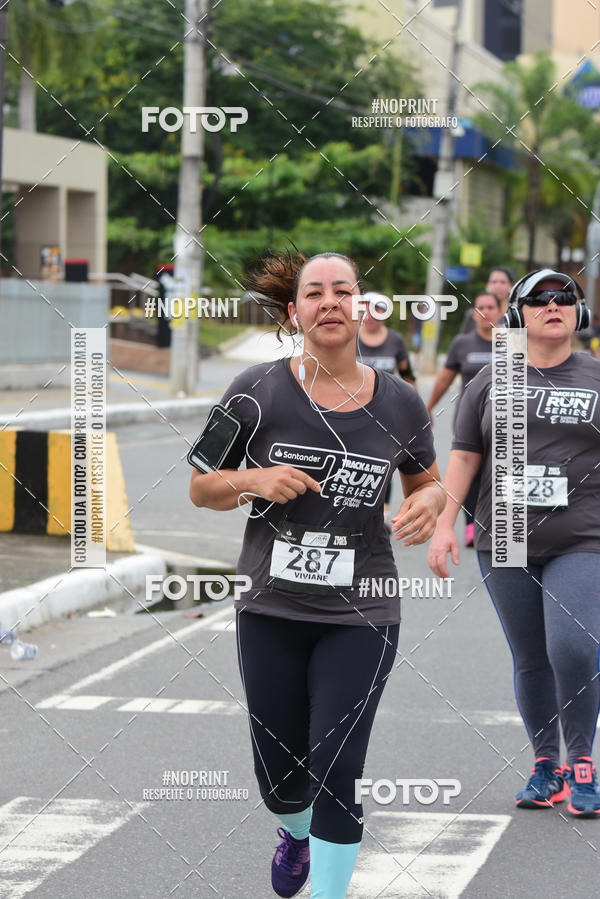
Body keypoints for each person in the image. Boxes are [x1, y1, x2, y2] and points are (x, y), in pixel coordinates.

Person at [189, 250, 445, 897]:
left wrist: (429, 503)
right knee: (280, 772)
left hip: (363, 608)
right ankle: (293, 831)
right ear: (293, 311)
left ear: (360, 306)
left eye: (343, 290)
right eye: (315, 292)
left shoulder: (403, 403)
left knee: (338, 763)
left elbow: (427, 482)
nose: (330, 301)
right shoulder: (255, 389)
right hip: (271, 607)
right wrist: (252, 478)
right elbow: (200, 485)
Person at [428, 268, 600, 817]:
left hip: (584, 536)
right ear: (516, 314)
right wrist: (442, 523)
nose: (555, 305)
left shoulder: (597, 378)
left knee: (573, 648)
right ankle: (545, 765)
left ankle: (582, 764)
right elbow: (464, 457)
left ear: (580, 313)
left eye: (566, 298)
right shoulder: (489, 380)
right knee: (531, 658)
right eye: (540, 299)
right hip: (506, 535)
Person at [426, 292, 501, 546]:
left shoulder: (512, 342)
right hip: (469, 419)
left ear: (500, 312)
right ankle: (472, 525)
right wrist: (428, 406)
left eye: (490, 307)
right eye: (480, 307)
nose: (485, 312)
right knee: (471, 470)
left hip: (504, 417)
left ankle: (499, 522)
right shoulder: (462, 343)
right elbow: (445, 378)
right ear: (474, 314)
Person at [357, 291, 417, 532]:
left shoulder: (395, 340)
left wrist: (417, 407)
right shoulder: (351, 337)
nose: (373, 315)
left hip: (387, 413)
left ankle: (382, 511)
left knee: (385, 462)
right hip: (354, 410)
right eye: (369, 309)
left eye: (379, 310)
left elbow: (407, 374)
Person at [459, 267, 514, 334]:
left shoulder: (517, 316)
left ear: (511, 286)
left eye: (502, 282)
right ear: (487, 285)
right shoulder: (474, 314)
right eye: (494, 282)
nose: (498, 286)